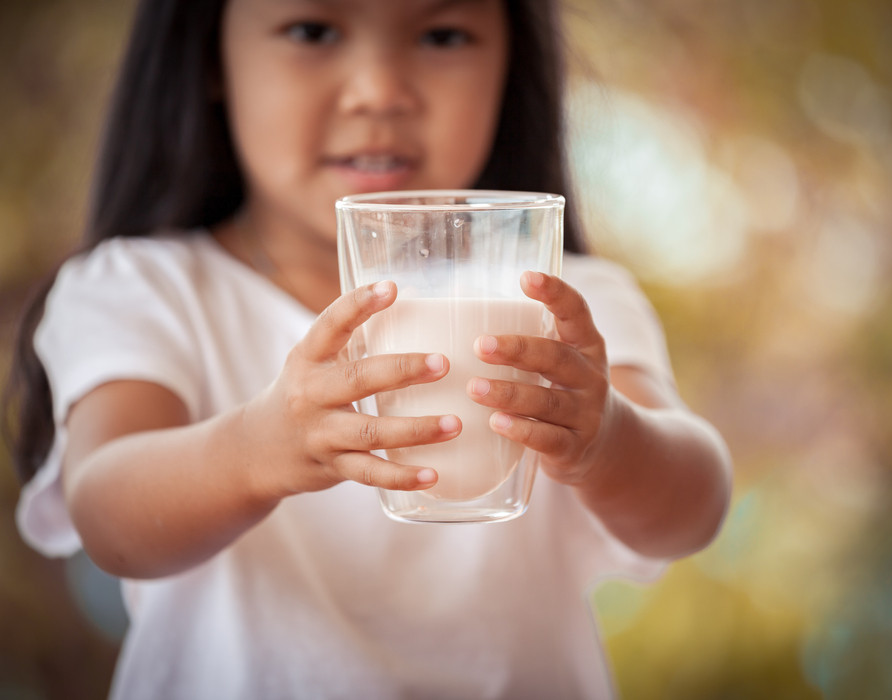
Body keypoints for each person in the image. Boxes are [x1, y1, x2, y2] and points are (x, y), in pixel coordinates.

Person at [4, 0, 732, 697]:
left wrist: (609, 438)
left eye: (443, 36)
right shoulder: (144, 288)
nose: (381, 91)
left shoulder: (569, 302)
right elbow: (109, 513)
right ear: (208, 55)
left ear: (513, 62)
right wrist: (253, 452)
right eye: (314, 28)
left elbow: (695, 505)